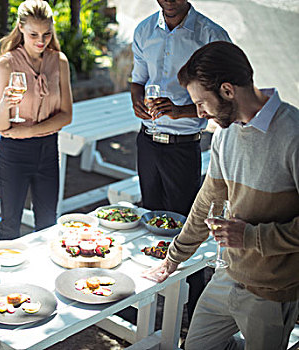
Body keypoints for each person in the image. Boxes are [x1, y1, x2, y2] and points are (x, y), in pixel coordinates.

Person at [145, 41, 299, 349]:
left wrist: (252, 237)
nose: (199, 112)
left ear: (227, 90)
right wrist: (173, 257)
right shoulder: (225, 134)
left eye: (202, 103)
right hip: (227, 274)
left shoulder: (293, 134)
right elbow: (206, 202)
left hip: (271, 289)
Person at [130, 0, 231, 322]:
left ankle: (194, 308)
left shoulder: (211, 35)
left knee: (186, 227)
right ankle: (144, 300)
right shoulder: (144, 29)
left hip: (183, 147)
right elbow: (138, 79)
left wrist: (180, 110)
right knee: (149, 223)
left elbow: (226, 98)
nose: (169, 1)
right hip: (146, 141)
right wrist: (136, 100)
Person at [0, 0, 73, 240]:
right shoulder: (6, 64)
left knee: (48, 224)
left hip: (48, 150)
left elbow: (67, 115)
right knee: (9, 224)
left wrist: (29, 131)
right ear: (21, 29)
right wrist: (6, 104)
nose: (41, 40)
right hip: (14, 153)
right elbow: (1, 126)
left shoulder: (59, 62)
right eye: (34, 34)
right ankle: (7, 278)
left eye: (47, 34)